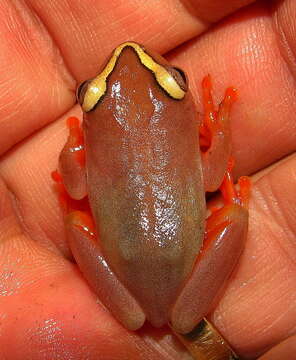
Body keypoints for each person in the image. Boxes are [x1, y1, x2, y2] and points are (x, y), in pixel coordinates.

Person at [0, 0, 295, 359]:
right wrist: (220, 130)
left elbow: (75, 186)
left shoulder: (96, 138)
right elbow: (214, 175)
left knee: (76, 220)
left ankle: (162, 310)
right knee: (232, 215)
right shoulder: (181, 125)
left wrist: (72, 148)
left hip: (134, 285)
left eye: (176, 80)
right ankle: (183, 308)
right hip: (176, 271)